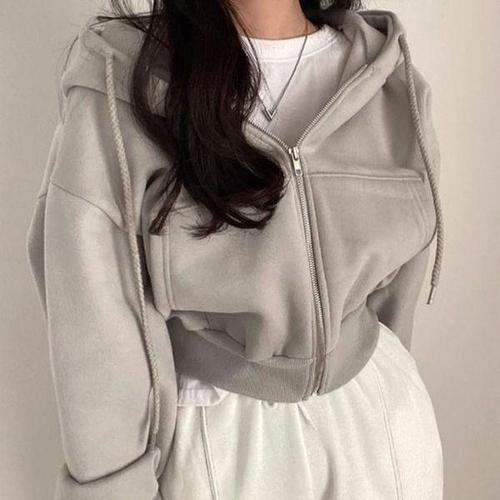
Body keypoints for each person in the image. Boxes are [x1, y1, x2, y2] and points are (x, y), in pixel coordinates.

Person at [26, 0, 445, 498]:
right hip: (220, 437)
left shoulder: (388, 79)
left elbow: (395, 298)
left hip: (382, 421)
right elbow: (94, 311)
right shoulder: (121, 83)